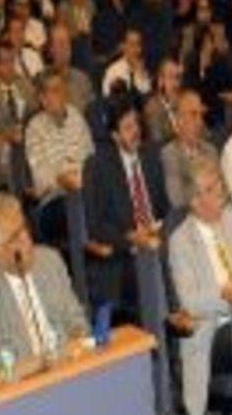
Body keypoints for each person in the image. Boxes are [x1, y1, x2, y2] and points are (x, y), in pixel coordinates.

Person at [167, 165, 232, 415]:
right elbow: (190, 302)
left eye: (219, 183)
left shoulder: (229, 216)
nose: (221, 191)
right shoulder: (180, 241)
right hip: (213, 329)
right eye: (212, 189)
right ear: (195, 201)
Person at [0, 193, 89, 364]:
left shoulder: (50, 261)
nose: (26, 238)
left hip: (69, 362)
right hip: (27, 374)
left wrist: (77, 338)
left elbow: (76, 318)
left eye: (24, 228)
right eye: (15, 237)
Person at [82, 98, 169, 319]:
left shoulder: (151, 155)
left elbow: (165, 207)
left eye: (136, 124)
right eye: (128, 127)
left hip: (157, 238)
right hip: (127, 251)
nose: (136, 132)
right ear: (115, 135)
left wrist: (159, 229)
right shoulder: (98, 166)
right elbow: (96, 225)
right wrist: (130, 236)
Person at [24, 72, 94, 246]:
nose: (62, 94)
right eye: (55, 90)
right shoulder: (35, 128)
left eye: (63, 88)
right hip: (54, 200)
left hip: (85, 190)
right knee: (76, 207)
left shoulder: (76, 117)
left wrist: (80, 177)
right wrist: (63, 179)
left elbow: (91, 157)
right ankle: (86, 250)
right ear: (42, 99)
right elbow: (40, 179)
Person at [0, 41, 37, 184]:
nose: (10, 67)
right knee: (10, 155)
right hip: (4, 149)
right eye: (5, 62)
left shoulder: (26, 86)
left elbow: (37, 116)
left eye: (12, 61)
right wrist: (8, 138)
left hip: (30, 144)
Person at [161, 91, 220, 209]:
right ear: (179, 120)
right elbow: (177, 200)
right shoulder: (170, 154)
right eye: (193, 115)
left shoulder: (211, 150)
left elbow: (222, 191)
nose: (200, 122)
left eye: (201, 115)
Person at [45, 22, 95, 112]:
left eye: (68, 43)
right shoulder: (43, 80)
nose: (66, 48)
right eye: (61, 43)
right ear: (51, 49)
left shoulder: (83, 79)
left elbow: (93, 111)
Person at [102, 28, 152, 98]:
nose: (137, 49)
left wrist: (140, 74)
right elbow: (107, 97)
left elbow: (147, 94)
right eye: (132, 44)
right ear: (122, 46)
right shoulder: (114, 71)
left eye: (139, 44)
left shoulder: (144, 69)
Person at [143, 58, 183, 144]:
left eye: (178, 77)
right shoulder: (153, 108)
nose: (176, 83)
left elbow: (204, 133)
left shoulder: (186, 102)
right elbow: (158, 142)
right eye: (171, 77)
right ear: (160, 81)